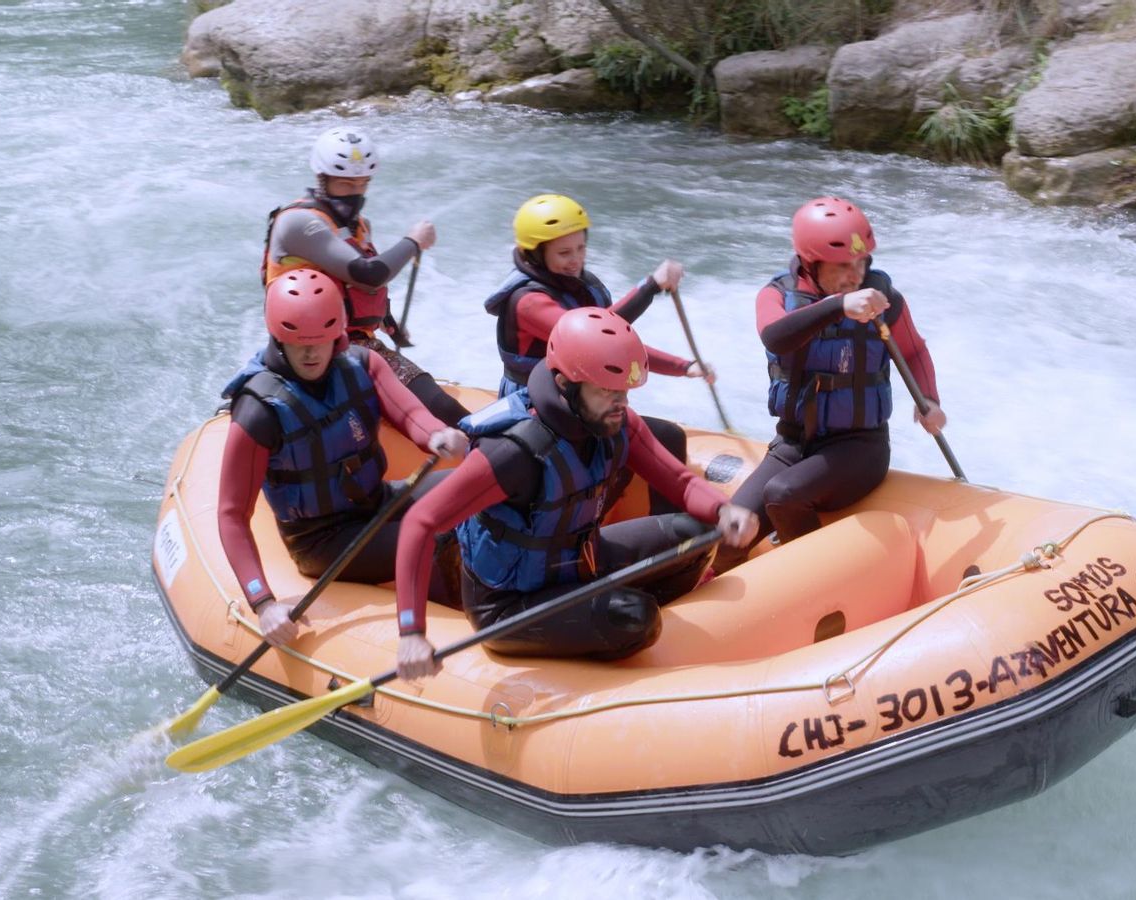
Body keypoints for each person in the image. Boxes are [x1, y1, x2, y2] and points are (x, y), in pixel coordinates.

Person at [390, 308, 758, 679]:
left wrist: (723, 510)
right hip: (510, 606)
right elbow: (421, 522)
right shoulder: (513, 452)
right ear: (565, 384)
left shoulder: (613, 422)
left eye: (625, 392)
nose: (623, 404)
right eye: (607, 391)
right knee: (636, 618)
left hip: (583, 563)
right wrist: (411, 633)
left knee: (694, 537)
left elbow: (678, 481)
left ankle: (599, 622)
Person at [218, 269, 469, 648]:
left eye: (321, 341)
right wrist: (263, 602)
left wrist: (437, 434)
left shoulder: (363, 364)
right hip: (322, 541)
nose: (311, 352)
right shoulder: (258, 411)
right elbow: (232, 515)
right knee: (440, 536)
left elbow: (410, 416)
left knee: (480, 490)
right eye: (299, 342)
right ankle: (464, 627)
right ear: (277, 335)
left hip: (378, 500)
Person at [717, 197, 946, 571]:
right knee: (728, 532)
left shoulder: (884, 299)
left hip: (860, 447)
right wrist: (839, 305)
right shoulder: (776, 294)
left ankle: (818, 581)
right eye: (843, 266)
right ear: (811, 262)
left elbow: (915, 351)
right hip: (793, 443)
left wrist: (930, 401)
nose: (855, 276)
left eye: (861, 262)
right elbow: (775, 337)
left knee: (783, 494)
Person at [484, 194, 710, 514]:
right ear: (535, 254)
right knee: (651, 439)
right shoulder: (528, 302)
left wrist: (683, 366)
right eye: (564, 252)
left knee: (664, 437)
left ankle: (667, 546)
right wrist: (650, 286)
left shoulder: (578, 284)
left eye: (580, 249)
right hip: (539, 406)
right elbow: (595, 339)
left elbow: (613, 346)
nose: (575, 260)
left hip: (581, 398)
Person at [262, 126, 469, 426]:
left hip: (357, 341)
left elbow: (354, 287)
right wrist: (413, 242)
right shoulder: (298, 222)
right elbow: (368, 274)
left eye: (362, 184)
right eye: (346, 184)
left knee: (439, 404)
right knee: (439, 406)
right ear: (322, 179)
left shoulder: (359, 225)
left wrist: (389, 323)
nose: (356, 193)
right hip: (311, 341)